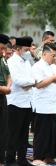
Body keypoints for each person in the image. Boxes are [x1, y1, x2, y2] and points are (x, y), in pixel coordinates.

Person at [31, 43, 56, 165]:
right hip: (42, 106)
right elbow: (38, 84)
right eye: (53, 55)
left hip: (54, 105)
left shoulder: (54, 67)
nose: (55, 58)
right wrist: (53, 79)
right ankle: (38, 157)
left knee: (53, 133)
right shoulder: (37, 67)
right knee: (42, 133)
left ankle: (50, 156)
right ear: (45, 54)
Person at [6, 36, 35, 166]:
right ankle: (10, 159)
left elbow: (32, 78)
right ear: (18, 49)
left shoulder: (27, 62)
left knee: (24, 134)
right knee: (14, 133)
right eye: (26, 49)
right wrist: (31, 82)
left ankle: (22, 159)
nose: (28, 52)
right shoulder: (12, 62)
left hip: (27, 102)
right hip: (15, 102)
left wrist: (30, 82)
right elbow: (19, 81)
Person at [0, 34, 12, 166]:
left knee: (3, 130)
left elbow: (9, 75)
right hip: (2, 91)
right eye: (1, 48)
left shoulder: (2, 59)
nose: (3, 51)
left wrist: (8, 87)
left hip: (3, 96)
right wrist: (4, 89)